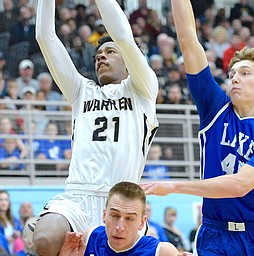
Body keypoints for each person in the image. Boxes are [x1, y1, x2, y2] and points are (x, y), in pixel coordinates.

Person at [141, 0, 254, 255]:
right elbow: (188, 38)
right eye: (232, 73)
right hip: (215, 234)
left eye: (245, 73)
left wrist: (176, 186)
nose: (234, 77)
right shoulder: (215, 108)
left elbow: (239, 185)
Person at [30, 0, 159, 255]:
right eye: (98, 55)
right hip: (77, 196)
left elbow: (123, 36)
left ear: (129, 61)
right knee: (43, 239)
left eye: (110, 52)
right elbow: (45, 37)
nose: (101, 55)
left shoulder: (143, 89)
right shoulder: (81, 91)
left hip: (120, 202)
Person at [58, 182, 180, 256]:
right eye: (115, 216)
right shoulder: (90, 237)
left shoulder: (162, 252)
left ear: (142, 223)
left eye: (129, 219)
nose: (119, 227)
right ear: (104, 215)